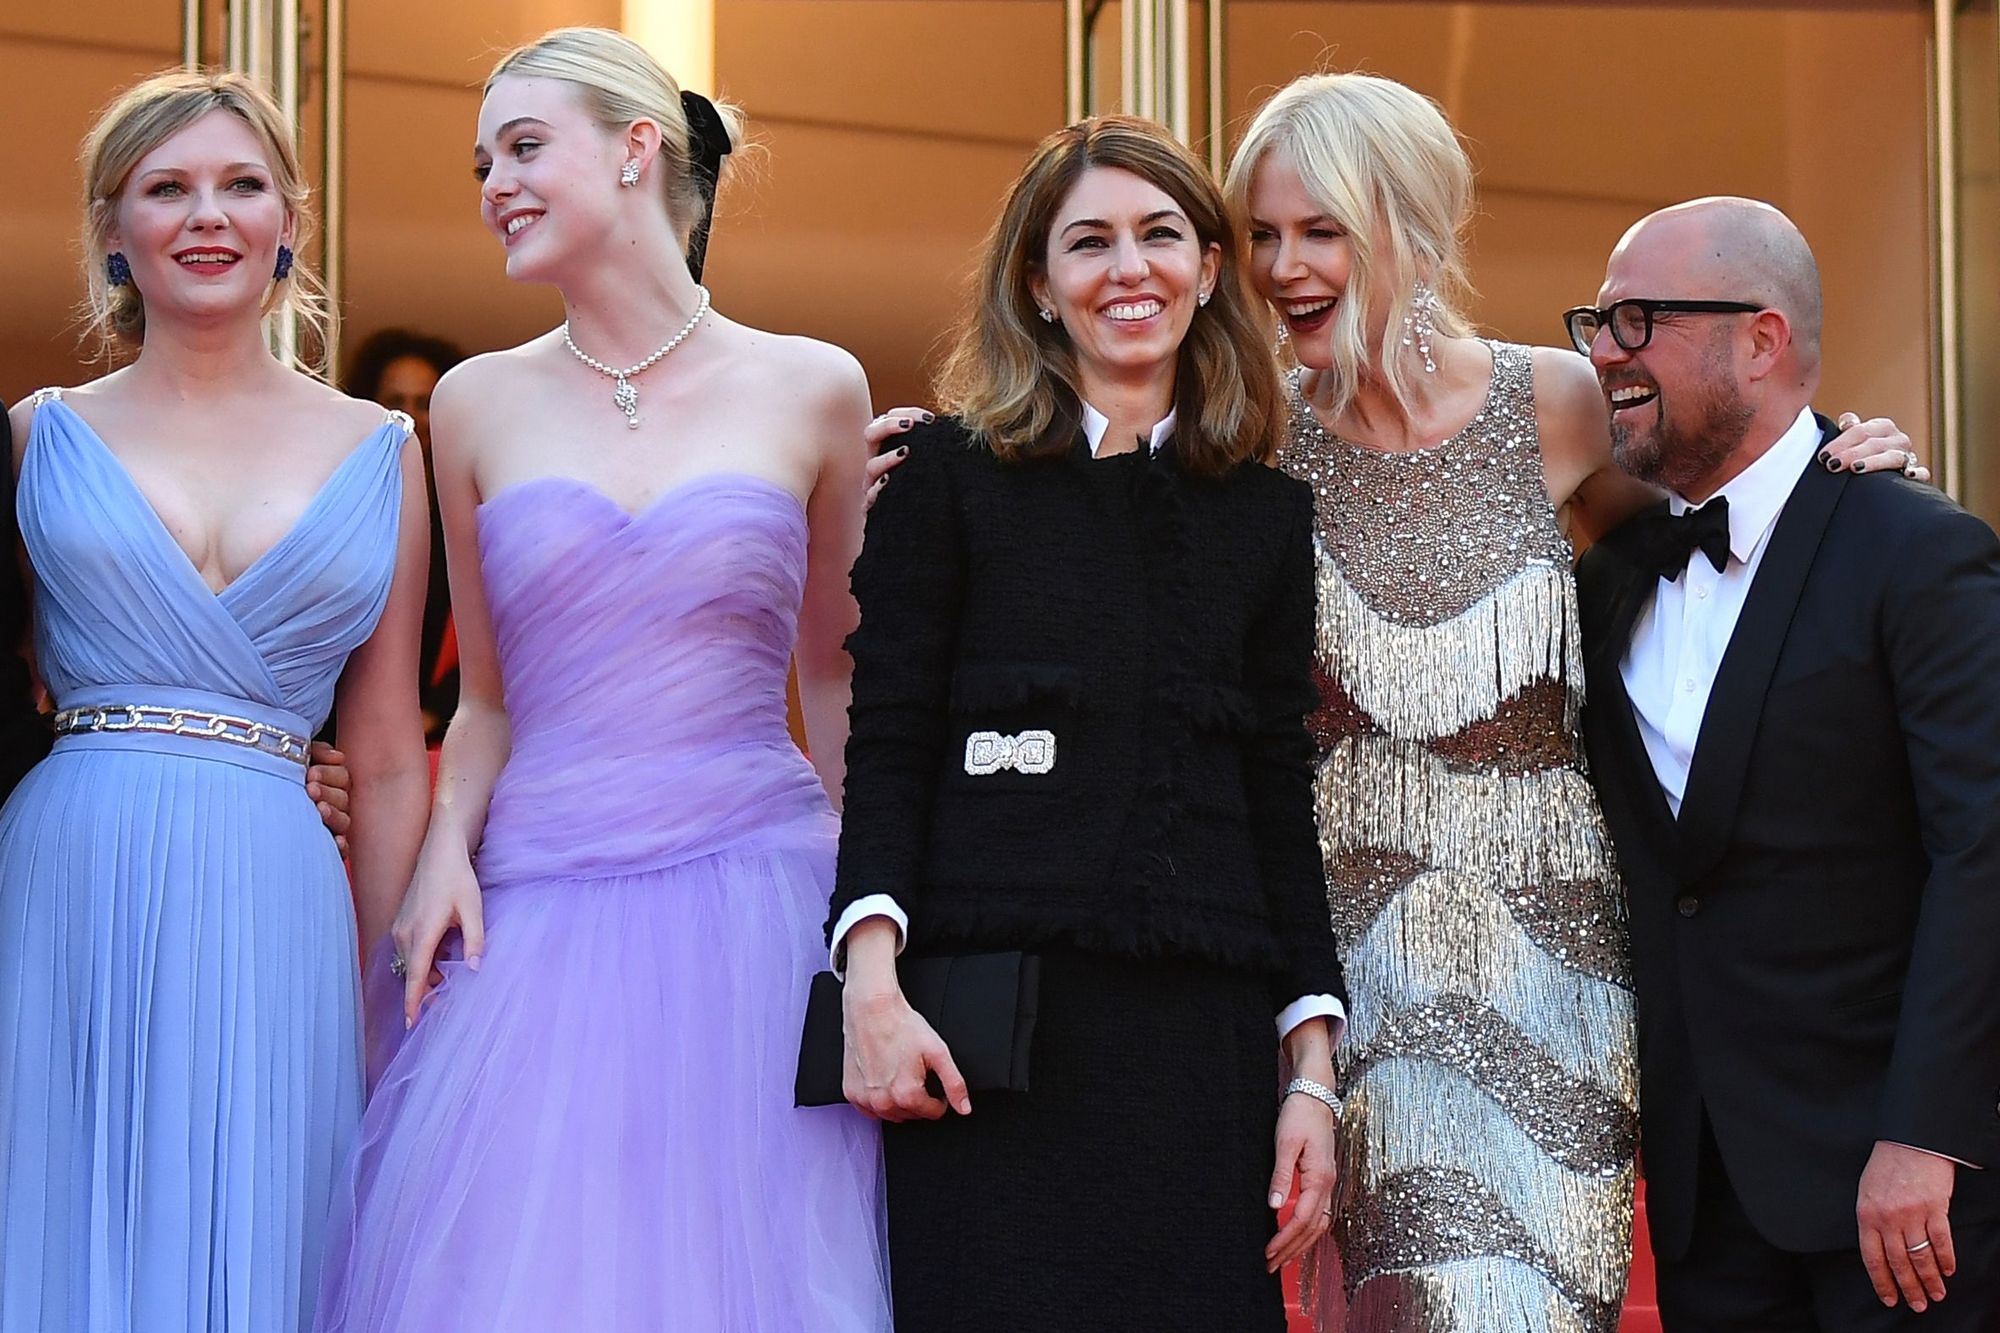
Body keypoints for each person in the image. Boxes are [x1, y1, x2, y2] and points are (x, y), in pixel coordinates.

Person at [864, 74, 1920, 1333]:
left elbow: (1733, 511)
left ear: (1409, 231)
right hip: (1348, 976)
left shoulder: (1561, 404)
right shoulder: (1244, 449)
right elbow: (1089, 573)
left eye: (1319, 230)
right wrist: (954, 452)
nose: (1281, 266)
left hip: (1562, 975)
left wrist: (1844, 462)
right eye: (1259, 235)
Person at [313, 28, 890, 1331]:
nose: (493, 185)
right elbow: (491, 705)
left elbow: (842, 681)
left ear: (638, 151)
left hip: (755, 893)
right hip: (538, 916)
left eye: (524, 146)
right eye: (481, 164)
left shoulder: (815, 388)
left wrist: (877, 911)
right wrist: (446, 846)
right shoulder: (471, 404)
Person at [831, 114, 1344, 1331]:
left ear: (1209, 269)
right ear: (1037, 284)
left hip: (1200, 1048)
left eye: (1161, 235)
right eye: (1089, 243)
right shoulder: (945, 478)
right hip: (983, 1036)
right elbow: (888, 739)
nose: (1130, 269)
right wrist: (868, 985)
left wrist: (1311, 1075)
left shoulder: (1266, 517)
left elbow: (1278, 787)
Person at [0, 70, 430, 1333]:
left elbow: (391, 748)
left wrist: (372, 984)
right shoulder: (34, 438)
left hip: (278, 894)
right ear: (113, 231)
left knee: (269, 1226)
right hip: (65, 872)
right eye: (167, 188)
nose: (208, 215)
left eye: (243, 185)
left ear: (291, 218)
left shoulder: (384, 453)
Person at [1573, 197, 2000, 1331]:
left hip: (1900, 1194)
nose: (1604, 354)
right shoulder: (1607, 573)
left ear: (1760, 341)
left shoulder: (1914, 548)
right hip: (1706, 1198)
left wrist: (1927, 1132)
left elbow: (1982, 852)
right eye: (1596, 324)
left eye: (1639, 321)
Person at [343, 328, 465, 741]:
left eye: (425, 403)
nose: (410, 416)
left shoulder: (470, 509)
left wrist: (434, 713)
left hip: (438, 736)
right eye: (394, 402)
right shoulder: (340, 506)